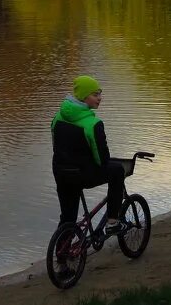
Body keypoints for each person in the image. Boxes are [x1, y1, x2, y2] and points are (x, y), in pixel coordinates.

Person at [51, 75, 125, 234]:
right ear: (84, 97)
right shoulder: (93, 124)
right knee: (117, 171)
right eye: (95, 94)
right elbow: (102, 159)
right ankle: (112, 222)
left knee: (68, 215)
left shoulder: (57, 117)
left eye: (100, 93)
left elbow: (55, 145)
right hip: (82, 174)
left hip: (60, 171)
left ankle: (62, 253)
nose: (100, 98)